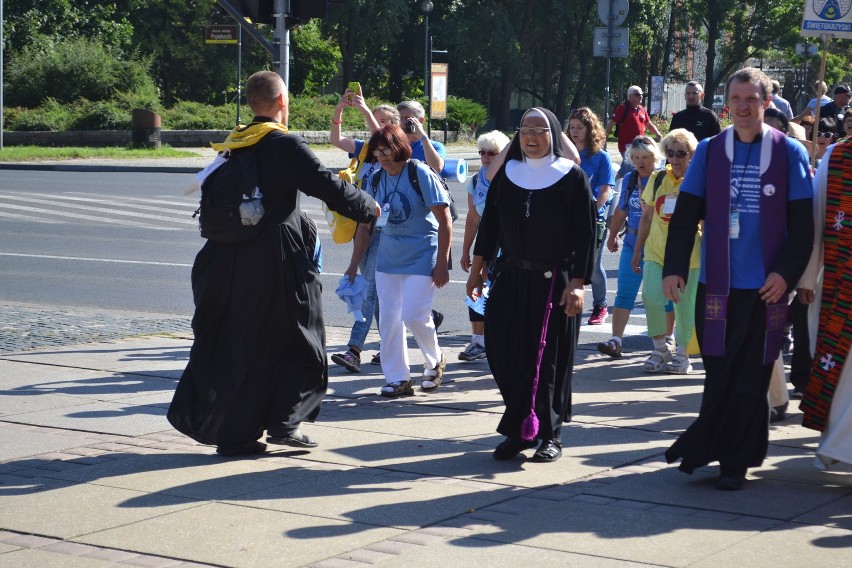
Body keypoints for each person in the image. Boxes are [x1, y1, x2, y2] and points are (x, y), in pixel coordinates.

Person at [167, 71, 380, 456]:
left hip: (225, 261)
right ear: (283, 101)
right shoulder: (283, 144)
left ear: (252, 103)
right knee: (301, 336)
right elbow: (327, 186)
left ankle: (236, 434)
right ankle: (285, 422)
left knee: (240, 343)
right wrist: (367, 206)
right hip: (276, 261)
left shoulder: (233, 144)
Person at [662, 67, 814, 490]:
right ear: (726, 104)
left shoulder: (789, 153)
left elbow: (803, 227)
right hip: (717, 286)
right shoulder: (710, 151)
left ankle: (736, 461)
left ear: (767, 102)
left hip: (766, 289)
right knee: (719, 372)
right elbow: (686, 213)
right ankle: (713, 442)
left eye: (751, 99)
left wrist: (785, 274)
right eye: (736, 99)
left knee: (751, 378)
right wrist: (674, 268)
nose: (743, 107)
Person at [467, 107, 596, 463]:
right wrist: (477, 269)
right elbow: (489, 226)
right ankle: (523, 422)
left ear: (554, 134)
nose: (532, 137)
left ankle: (549, 434)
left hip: (555, 282)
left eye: (540, 130)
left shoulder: (571, 177)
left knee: (548, 361)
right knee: (504, 352)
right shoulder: (507, 174)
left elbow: (587, 236)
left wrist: (579, 284)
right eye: (525, 129)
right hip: (509, 277)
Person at [369, 125, 451, 397]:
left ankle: (434, 360)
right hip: (388, 260)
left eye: (387, 150)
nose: (382, 156)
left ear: (400, 147)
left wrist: (442, 263)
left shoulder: (419, 172)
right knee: (389, 321)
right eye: (378, 151)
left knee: (414, 314)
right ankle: (398, 378)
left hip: (421, 255)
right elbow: (367, 224)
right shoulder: (377, 179)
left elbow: (445, 221)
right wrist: (353, 263)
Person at [329, 88, 399, 373]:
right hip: (366, 224)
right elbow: (335, 139)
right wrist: (340, 109)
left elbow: (383, 140)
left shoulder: (394, 153)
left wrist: (367, 111)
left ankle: (354, 349)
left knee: (370, 290)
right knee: (379, 294)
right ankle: (389, 348)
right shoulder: (365, 151)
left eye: (384, 123)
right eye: (375, 121)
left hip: (388, 229)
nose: (377, 127)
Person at [797, 137, 852, 470]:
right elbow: (815, 220)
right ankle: (838, 445)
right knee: (842, 371)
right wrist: (806, 277)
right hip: (841, 284)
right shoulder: (838, 156)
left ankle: (839, 446)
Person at [597, 136, 673, 358]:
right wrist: (612, 237)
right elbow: (621, 210)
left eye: (646, 157)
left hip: (658, 246)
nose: (641, 162)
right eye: (637, 157)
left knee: (663, 296)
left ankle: (668, 339)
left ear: (655, 158)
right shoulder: (630, 179)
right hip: (631, 243)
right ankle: (616, 341)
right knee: (625, 294)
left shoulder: (663, 179)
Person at [632, 129, 700, 374]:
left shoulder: (699, 179)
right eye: (670, 152)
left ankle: (682, 354)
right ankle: (661, 348)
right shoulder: (658, 178)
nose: (675, 158)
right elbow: (647, 216)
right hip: (656, 251)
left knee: (685, 306)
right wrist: (636, 250)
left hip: (689, 255)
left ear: (692, 154)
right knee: (651, 299)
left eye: (681, 153)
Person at [458, 130, 511, 361]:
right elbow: (473, 218)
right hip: (484, 245)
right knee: (476, 290)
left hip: (506, 247)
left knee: (502, 295)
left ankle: (502, 342)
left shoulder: (511, 178)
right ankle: (478, 342)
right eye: (482, 153)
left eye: (492, 153)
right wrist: (465, 250)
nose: (486, 157)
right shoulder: (477, 180)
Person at [567, 107, 615, 326]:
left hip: (594, 219)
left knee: (593, 265)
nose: (575, 131)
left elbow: (605, 190)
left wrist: (594, 207)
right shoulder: (564, 155)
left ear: (590, 130)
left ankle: (600, 305)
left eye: (580, 127)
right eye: (572, 127)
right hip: (567, 219)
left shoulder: (600, 157)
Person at [606, 85, 663, 179]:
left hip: (639, 145)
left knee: (625, 169)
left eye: (641, 94)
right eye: (637, 94)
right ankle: (632, 189)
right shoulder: (622, 108)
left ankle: (613, 187)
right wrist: (605, 137)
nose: (640, 96)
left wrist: (657, 133)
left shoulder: (642, 109)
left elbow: (649, 124)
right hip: (626, 146)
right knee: (632, 168)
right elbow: (611, 124)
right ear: (630, 96)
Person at [397, 100, 446, 174]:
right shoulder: (395, 145)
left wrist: (423, 137)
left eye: (408, 119)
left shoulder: (435, 146)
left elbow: (437, 168)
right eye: (400, 118)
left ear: (421, 120)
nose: (403, 123)